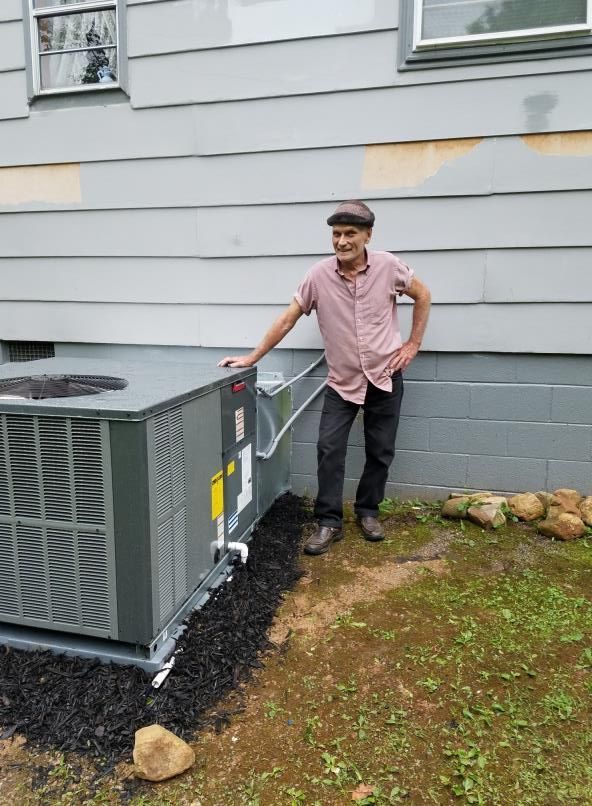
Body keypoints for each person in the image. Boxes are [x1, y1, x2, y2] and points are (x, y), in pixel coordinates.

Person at [219, 200, 431, 556]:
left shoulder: (389, 266)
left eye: (350, 233)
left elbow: (423, 295)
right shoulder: (318, 275)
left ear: (368, 235)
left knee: (380, 451)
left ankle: (368, 512)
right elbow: (288, 319)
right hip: (342, 382)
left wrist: (413, 344)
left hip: (385, 376)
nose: (342, 241)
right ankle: (329, 521)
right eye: (336, 234)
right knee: (328, 449)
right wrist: (253, 357)